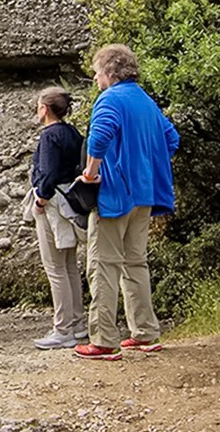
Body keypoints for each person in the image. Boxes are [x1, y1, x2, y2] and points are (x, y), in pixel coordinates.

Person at [75, 45, 179, 361]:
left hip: (115, 194)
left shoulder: (111, 98)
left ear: (109, 72)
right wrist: (146, 164)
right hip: (145, 194)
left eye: (96, 72)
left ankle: (104, 340)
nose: (95, 78)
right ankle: (145, 333)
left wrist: (91, 173)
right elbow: (171, 139)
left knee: (103, 264)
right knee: (136, 262)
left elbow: (99, 136)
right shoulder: (146, 101)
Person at [30, 87, 88, 349]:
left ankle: (62, 327)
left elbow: (48, 172)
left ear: (45, 108)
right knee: (69, 265)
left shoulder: (49, 136)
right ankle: (77, 323)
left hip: (53, 203)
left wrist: (40, 198)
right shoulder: (72, 132)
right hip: (71, 200)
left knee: (55, 267)